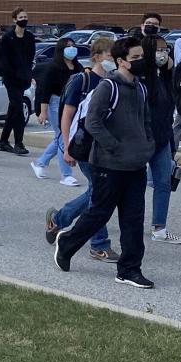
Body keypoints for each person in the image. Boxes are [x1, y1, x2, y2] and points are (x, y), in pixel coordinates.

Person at [51, 37, 155, 289]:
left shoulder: (141, 88)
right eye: (136, 58)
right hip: (109, 166)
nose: (142, 62)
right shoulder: (108, 87)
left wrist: (147, 146)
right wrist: (115, 146)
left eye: (143, 57)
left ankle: (129, 270)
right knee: (99, 214)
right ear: (121, 61)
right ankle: (66, 243)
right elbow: (93, 122)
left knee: (133, 219)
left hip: (136, 166)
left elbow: (146, 121)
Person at [44, 36, 120, 263]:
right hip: (84, 146)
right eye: (108, 55)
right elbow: (67, 115)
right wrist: (67, 147)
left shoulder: (115, 81)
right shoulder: (82, 80)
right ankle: (99, 244)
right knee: (99, 194)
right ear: (97, 56)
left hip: (104, 147)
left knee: (97, 193)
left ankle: (59, 219)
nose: (112, 60)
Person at [136, 20, 181, 245]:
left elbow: (169, 107)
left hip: (162, 138)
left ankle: (159, 228)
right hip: (140, 139)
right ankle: (65, 217)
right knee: (121, 188)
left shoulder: (165, 77)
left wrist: (170, 69)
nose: (164, 53)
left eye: (166, 50)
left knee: (163, 182)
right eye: (160, 50)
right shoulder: (140, 79)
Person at [0, 7, 37, 155]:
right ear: (14, 19)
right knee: (18, 110)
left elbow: (30, 57)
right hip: (11, 79)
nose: (24, 19)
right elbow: (5, 59)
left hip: (23, 78)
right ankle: (19, 143)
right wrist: (12, 73)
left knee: (13, 110)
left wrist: (28, 75)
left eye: (25, 17)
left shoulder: (30, 37)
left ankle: (3, 141)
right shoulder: (8, 37)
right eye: (21, 17)